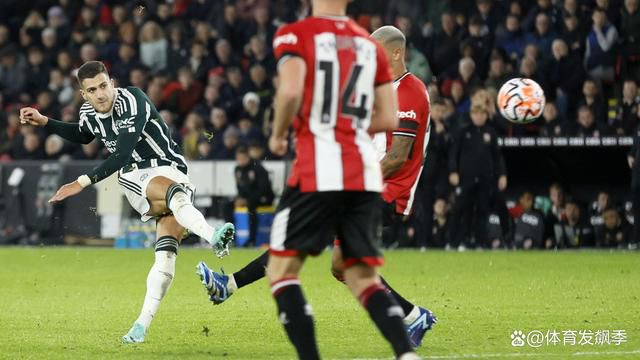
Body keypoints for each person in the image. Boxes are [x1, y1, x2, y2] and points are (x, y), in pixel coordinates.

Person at [197, 23, 437, 350]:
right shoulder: (378, 90)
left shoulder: (410, 90)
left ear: (396, 53)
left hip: (387, 191)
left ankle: (229, 284)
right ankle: (413, 316)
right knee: (342, 267)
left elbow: (397, 157)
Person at [18, 61, 235, 343]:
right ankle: (213, 237)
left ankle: (140, 326)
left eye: (104, 85)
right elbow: (84, 134)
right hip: (136, 173)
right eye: (92, 90)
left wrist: (80, 182)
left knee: (166, 255)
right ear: (84, 94)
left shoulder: (132, 99)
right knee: (174, 195)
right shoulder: (88, 111)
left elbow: (120, 153)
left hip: (170, 167)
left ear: (111, 82)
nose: (100, 94)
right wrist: (46, 121)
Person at [448, 105, 507, 250]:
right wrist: (453, 171)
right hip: (466, 179)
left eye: (482, 114)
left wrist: (503, 175)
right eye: (476, 114)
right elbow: (454, 153)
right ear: (471, 115)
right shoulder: (463, 131)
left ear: (486, 116)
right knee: (461, 209)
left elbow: (497, 156)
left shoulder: (491, 133)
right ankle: (456, 242)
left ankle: (480, 242)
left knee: (483, 210)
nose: (479, 117)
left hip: (486, 179)